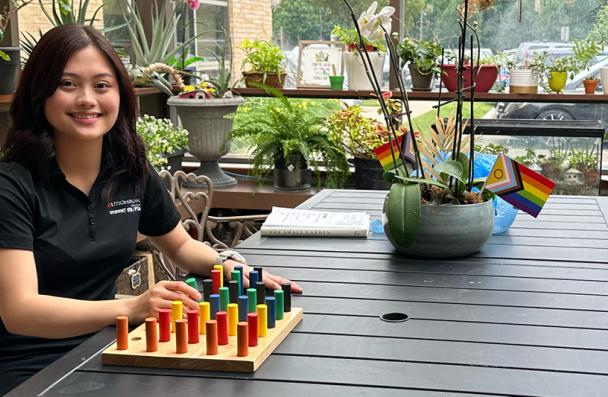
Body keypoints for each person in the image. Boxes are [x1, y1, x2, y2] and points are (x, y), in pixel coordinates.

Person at [0, 24, 302, 395]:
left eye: (101, 85)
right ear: (39, 94)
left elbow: (180, 246)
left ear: (120, 96)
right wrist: (133, 307)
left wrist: (234, 269)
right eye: (67, 84)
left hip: (108, 349)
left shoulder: (130, 172)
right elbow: (20, 311)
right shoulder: (12, 185)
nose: (86, 99)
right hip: (31, 366)